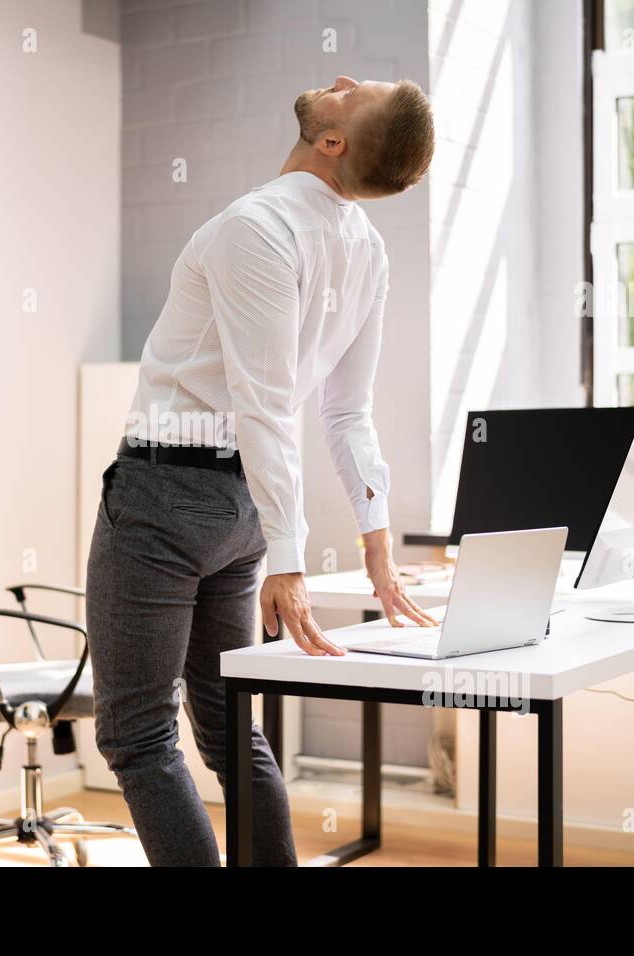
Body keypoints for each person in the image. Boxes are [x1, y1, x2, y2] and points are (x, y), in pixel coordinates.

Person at [85, 75, 438, 867]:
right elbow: (343, 413)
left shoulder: (255, 227)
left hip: (166, 499)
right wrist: (372, 536)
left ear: (333, 140)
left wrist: (293, 558)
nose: (341, 81)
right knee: (226, 730)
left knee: (138, 739)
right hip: (240, 508)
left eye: (356, 92)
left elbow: (267, 404)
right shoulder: (364, 247)